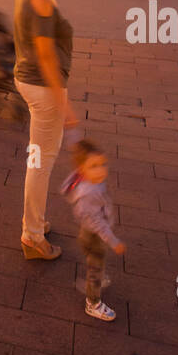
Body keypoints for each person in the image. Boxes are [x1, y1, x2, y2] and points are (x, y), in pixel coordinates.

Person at [14, 0, 76, 261]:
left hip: (30, 82)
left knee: (38, 160)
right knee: (40, 163)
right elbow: (47, 58)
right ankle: (32, 237)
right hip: (44, 88)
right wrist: (64, 105)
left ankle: (34, 224)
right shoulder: (40, 1)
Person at [61, 137, 125, 322]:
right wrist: (114, 241)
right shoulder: (89, 194)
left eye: (102, 164)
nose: (100, 170)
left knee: (95, 261)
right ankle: (93, 303)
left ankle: (95, 277)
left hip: (87, 233)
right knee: (95, 267)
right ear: (83, 170)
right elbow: (98, 223)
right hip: (96, 236)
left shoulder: (84, 179)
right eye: (94, 166)